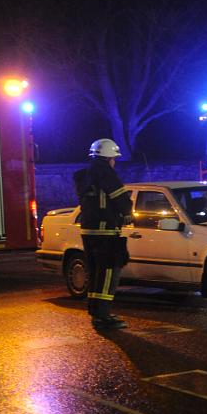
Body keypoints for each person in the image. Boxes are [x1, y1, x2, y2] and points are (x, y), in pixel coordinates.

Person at [73, 138, 133, 330]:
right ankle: (103, 315)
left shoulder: (85, 175)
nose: (115, 161)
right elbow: (121, 197)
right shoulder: (106, 172)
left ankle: (96, 312)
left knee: (96, 272)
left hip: (88, 230)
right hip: (106, 230)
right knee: (108, 273)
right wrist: (126, 214)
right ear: (109, 158)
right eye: (114, 157)